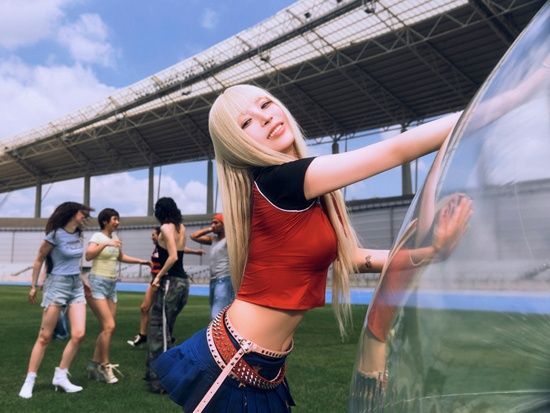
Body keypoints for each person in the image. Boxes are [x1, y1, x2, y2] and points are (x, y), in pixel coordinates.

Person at [152, 84, 470, 412]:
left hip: (262, 366)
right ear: (236, 143)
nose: (264, 117)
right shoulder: (280, 180)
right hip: (234, 362)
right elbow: (395, 151)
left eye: (266, 104)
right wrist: (478, 110)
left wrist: (431, 252)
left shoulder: (305, 193)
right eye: (246, 122)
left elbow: (352, 258)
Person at [18, 201, 93, 399]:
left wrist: (83, 281)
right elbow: (39, 259)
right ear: (72, 213)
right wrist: (34, 286)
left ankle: (61, 376)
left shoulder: (78, 235)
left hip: (76, 286)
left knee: (79, 334)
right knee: (45, 336)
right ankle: (29, 380)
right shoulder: (55, 235)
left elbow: (75, 263)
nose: (85, 217)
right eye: (82, 213)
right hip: (57, 285)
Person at [84, 208, 151, 384]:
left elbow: (121, 257)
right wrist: (105, 244)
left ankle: (93, 366)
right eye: (114, 219)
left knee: (108, 328)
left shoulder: (115, 238)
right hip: (97, 282)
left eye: (118, 219)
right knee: (109, 326)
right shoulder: (97, 237)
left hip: (111, 284)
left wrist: (141, 261)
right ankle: (105, 366)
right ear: (105, 221)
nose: (117, 222)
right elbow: (88, 256)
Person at [146, 197, 204, 393]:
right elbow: (178, 249)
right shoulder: (181, 227)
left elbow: (172, 256)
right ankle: (154, 372)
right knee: (166, 330)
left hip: (170, 282)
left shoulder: (165, 228)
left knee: (160, 332)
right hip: (182, 283)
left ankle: (162, 380)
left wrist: (158, 277)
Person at [191, 213, 234, 319]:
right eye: (212, 223)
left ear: (224, 225)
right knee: (217, 311)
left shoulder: (229, 240)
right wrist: (211, 229)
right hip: (213, 280)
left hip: (224, 279)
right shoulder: (213, 240)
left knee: (217, 313)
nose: (212, 225)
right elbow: (193, 236)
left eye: (216, 223)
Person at [127, 226, 162, 347]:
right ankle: (142, 336)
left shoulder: (166, 247)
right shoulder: (157, 248)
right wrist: (150, 264)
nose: (151, 237)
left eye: (153, 235)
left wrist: (194, 252)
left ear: (160, 235)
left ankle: (164, 337)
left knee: (160, 311)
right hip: (154, 281)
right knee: (144, 308)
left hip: (160, 282)